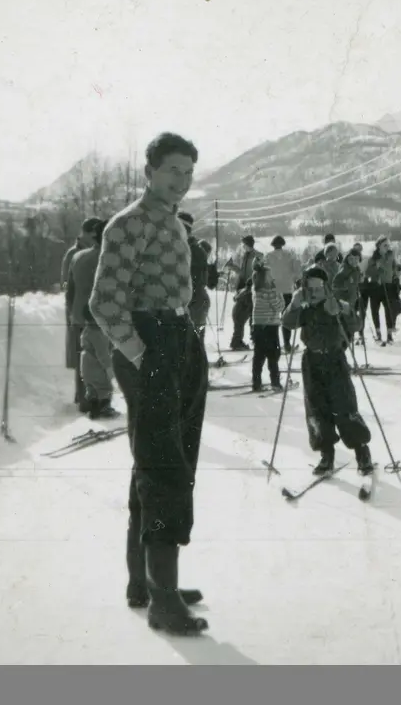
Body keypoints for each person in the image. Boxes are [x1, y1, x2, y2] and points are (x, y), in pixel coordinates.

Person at [88, 131, 209, 637]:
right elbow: (103, 303)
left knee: (163, 460)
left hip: (178, 338)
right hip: (152, 345)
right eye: (172, 171)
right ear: (149, 172)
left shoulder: (173, 225)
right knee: (164, 468)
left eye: (188, 172)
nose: (181, 181)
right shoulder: (128, 225)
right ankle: (163, 599)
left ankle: (146, 582)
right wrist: (143, 357)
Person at [281, 266, 374, 475]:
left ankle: (362, 452)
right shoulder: (305, 310)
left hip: (335, 360)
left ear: (325, 287)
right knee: (316, 409)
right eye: (309, 288)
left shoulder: (334, 305)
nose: (313, 293)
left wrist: (345, 309)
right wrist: (293, 305)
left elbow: (357, 325)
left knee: (345, 406)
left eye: (317, 287)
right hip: (311, 361)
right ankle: (326, 454)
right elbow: (287, 323)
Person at [67, 218, 118, 418]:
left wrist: (73, 311)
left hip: (80, 315)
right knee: (102, 360)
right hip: (101, 317)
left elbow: (70, 290)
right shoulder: (110, 259)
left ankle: (85, 400)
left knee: (85, 361)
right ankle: (102, 402)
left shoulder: (78, 257)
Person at [63, 220, 100, 407]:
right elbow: (67, 285)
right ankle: (84, 395)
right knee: (83, 355)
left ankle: (85, 394)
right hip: (80, 312)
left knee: (87, 355)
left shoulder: (88, 252)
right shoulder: (74, 253)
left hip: (82, 312)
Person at [177, 211, 219, 342]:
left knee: (192, 345)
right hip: (192, 302)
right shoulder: (187, 248)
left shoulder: (192, 250)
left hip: (194, 303)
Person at [249, 261, 286, 392]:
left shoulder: (256, 290)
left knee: (258, 355)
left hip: (258, 326)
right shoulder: (269, 292)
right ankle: (275, 382)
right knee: (273, 355)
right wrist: (277, 293)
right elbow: (280, 306)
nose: (272, 278)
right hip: (270, 326)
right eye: (270, 276)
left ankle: (256, 382)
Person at [264, 235, 303, 353]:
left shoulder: (268, 256)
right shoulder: (290, 256)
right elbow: (298, 272)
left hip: (273, 291)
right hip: (287, 290)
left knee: (274, 318)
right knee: (286, 318)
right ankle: (287, 344)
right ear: (283, 244)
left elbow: (264, 272)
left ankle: (274, 344)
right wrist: (296, 280)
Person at [225, 236, 262, 351]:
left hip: (252, 288)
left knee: (251, 315)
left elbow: (256, 272)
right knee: (241, 315)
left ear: (248, 244)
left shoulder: (258, 256)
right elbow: (243, 273)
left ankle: (253, 339)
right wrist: (233, 268)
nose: (243, 246)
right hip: (244, 288)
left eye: (244, 244)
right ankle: (240, 340)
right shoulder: (245, 256)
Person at [364, 236, 401, 345]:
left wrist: (397, 273)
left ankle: (389, 335)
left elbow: (395, 268)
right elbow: (368, 273)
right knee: (375, 311)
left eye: (388, 245)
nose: (387, 247)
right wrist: (376, 269)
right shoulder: (373, 258)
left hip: (388, 286)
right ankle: (378, 332)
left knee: (389, 310)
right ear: (378, 246)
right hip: (376, 287)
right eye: (385, 245)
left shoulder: (391, 256)